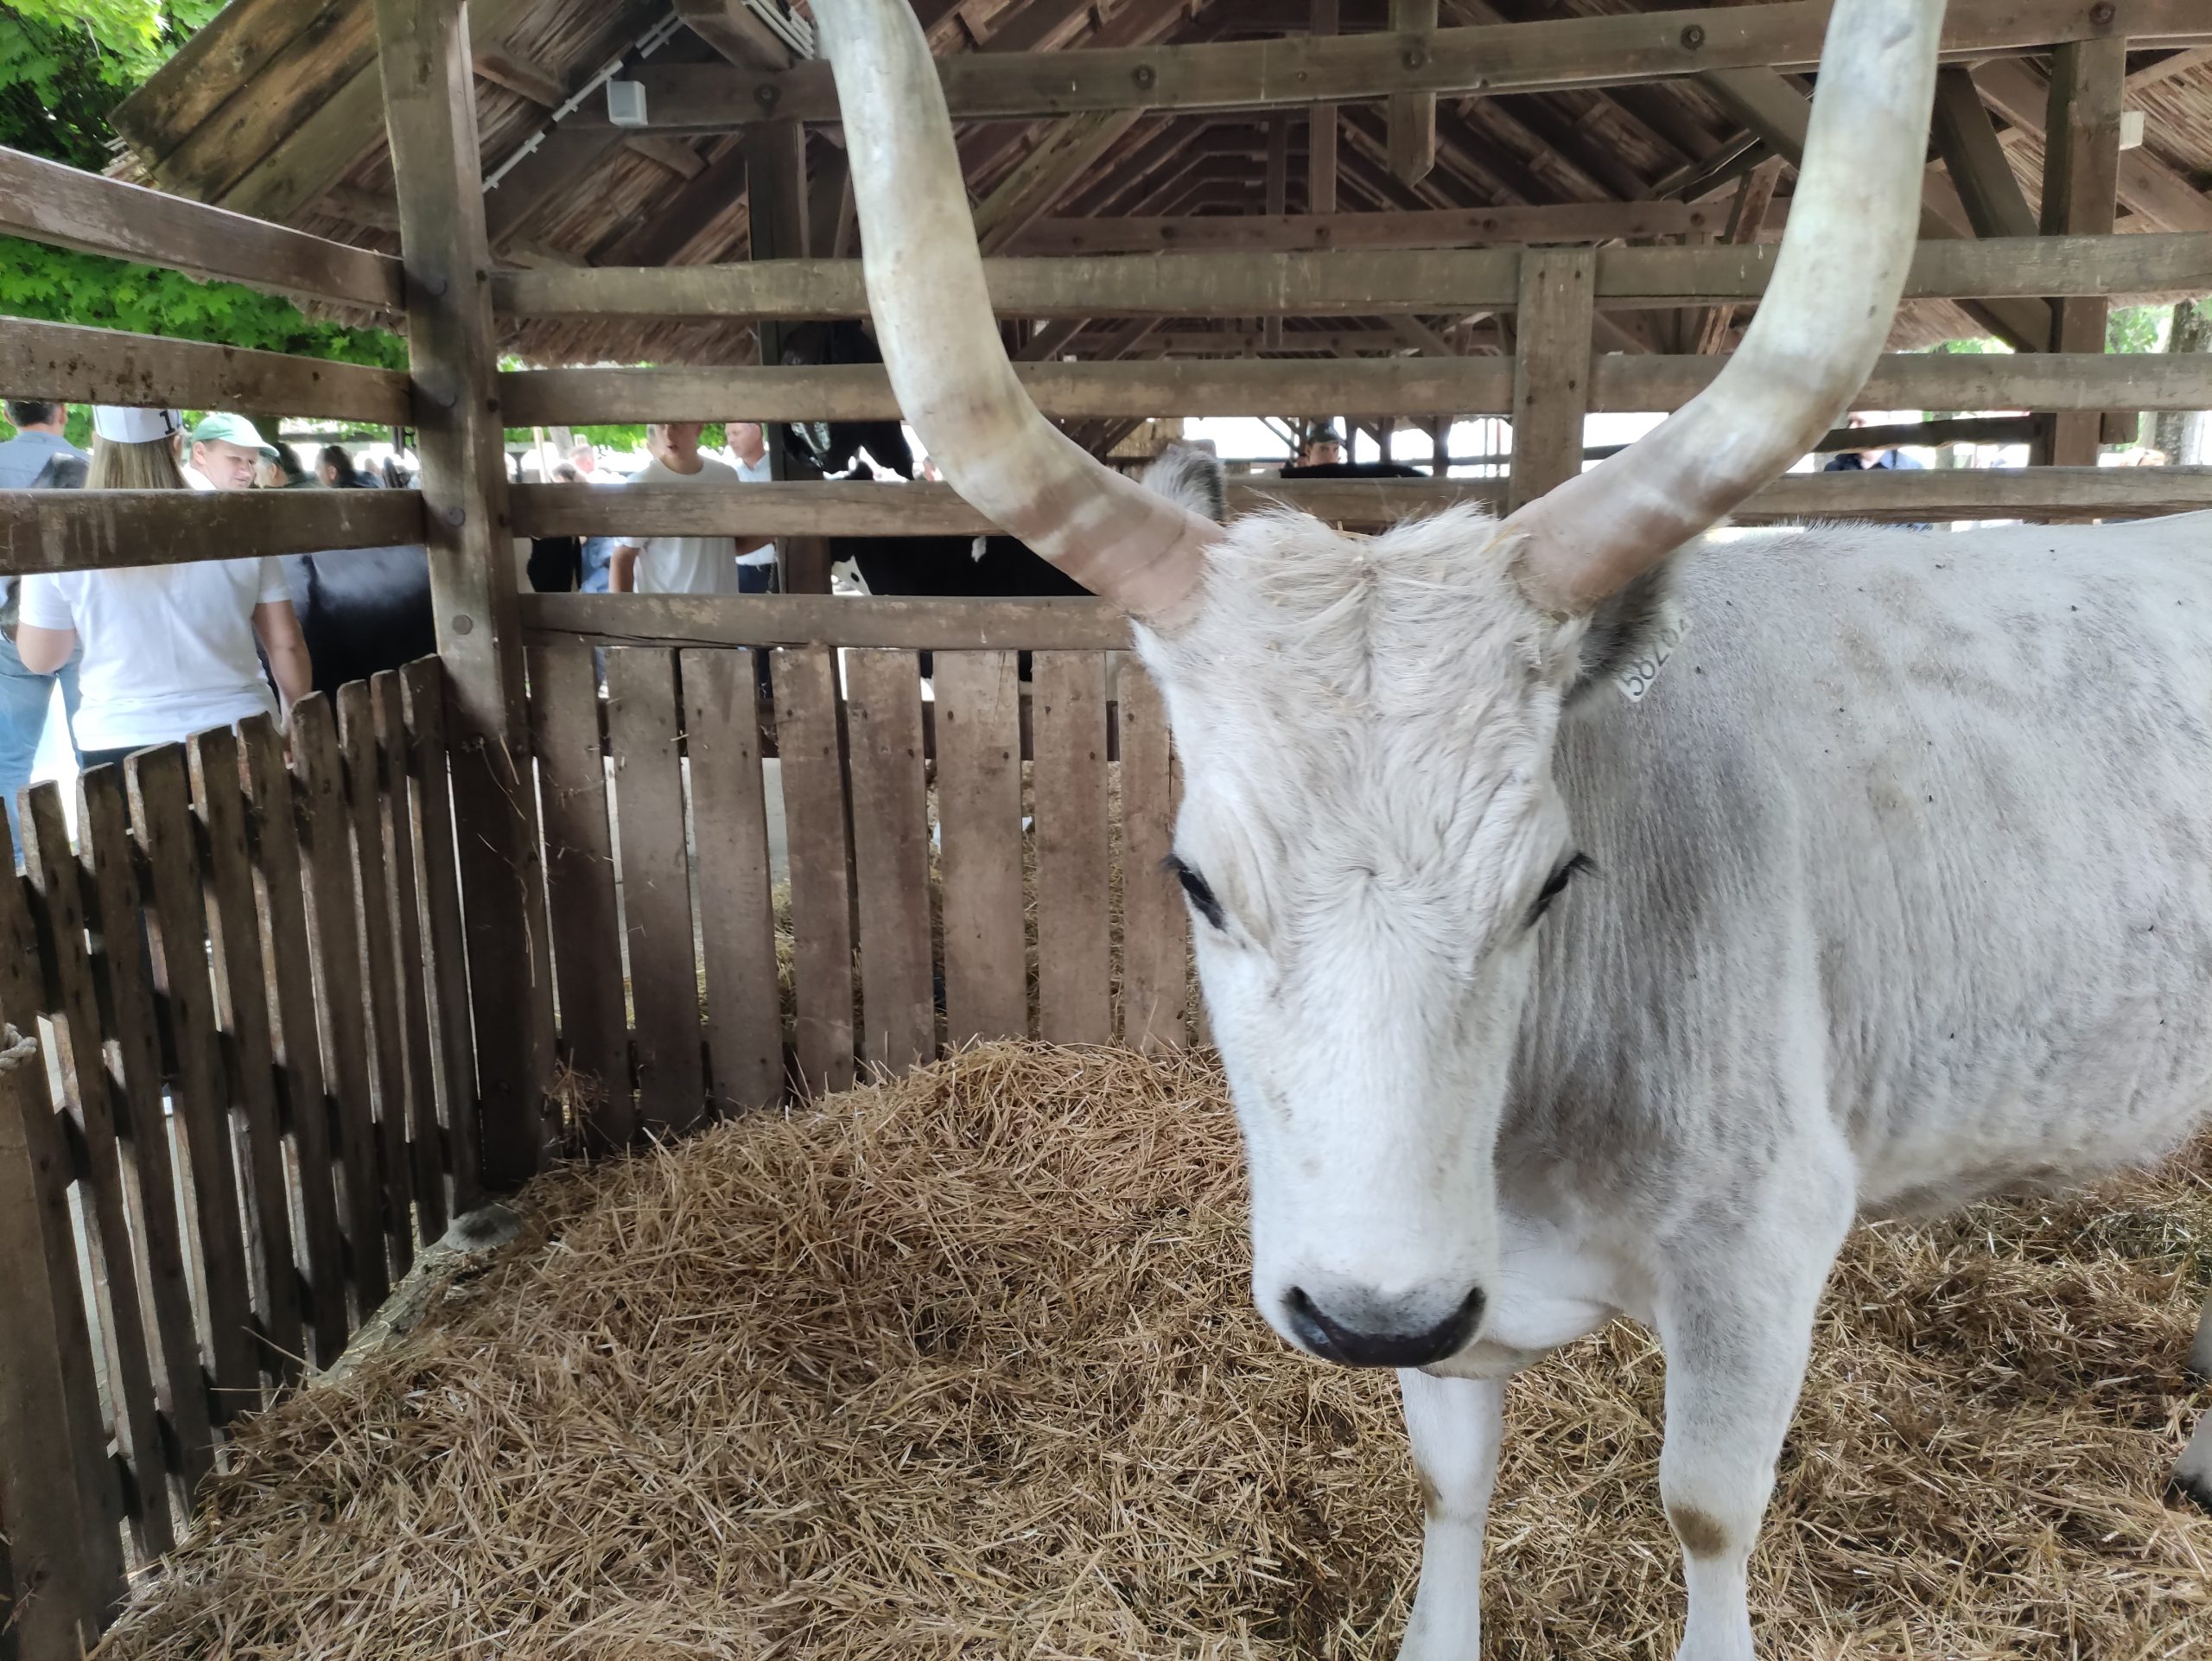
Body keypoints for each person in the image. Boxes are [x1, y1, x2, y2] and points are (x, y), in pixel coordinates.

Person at [14, 406, 313, 773]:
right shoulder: (240, 521)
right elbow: (286, 643)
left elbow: (42, 658)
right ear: (178, 444)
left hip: (120, 742)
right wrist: (292, 723)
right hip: (241, 728)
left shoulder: (60, 533)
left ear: (96, 442)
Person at [1, 401, 89, 847]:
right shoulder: (93, 469)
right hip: (81, 627)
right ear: (62, 410)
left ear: (8, 412)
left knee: (11, 758)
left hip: (9, 627)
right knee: (91, 748)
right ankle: (112, 847)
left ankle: (17, 862)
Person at [607, 423, 770, 595]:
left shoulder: (726, 477)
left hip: (722, 611)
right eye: (661, 425)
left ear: (699, 426)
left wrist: (782, 526)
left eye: (678, 424)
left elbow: (729, 545)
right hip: (666, 613)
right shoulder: (641, 485)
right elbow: (623, 558)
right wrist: (624, 616)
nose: (669, 434)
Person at [722, 420, 779, 594]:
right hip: (741, 574)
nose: (731, 440)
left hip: (781, 570)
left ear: (757, 432)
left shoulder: (782, 471)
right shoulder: (729, 477)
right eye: (728, 435)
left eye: (736, 433)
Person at [188, 412, 276, 491]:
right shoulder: (196, 500)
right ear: (200, 453)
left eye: (251, 462)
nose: (247, 473)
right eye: (235, 458)